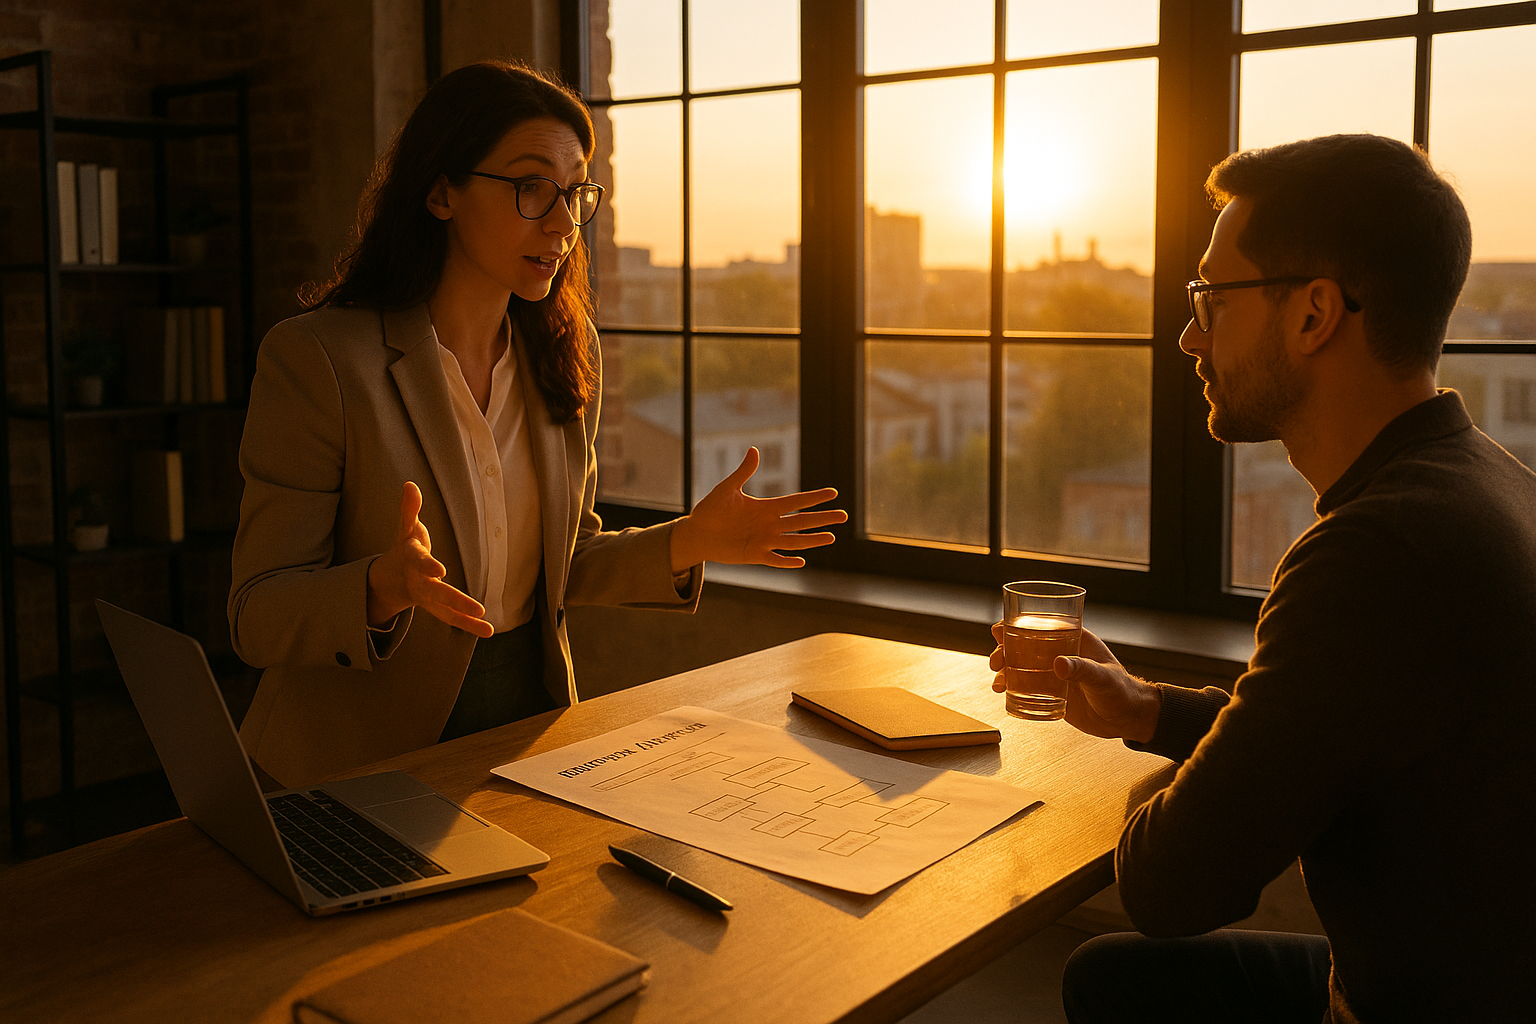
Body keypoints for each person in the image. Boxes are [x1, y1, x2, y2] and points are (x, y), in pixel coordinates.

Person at [991, 134, 1536, 1022]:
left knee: (1125, 972)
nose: (1187, 333)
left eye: (1210, 295)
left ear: (1314, 314)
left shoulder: (1377, 552)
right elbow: (1331, 722)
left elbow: (1170, 889)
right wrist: (1149, 710)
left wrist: (1173, 792)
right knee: (1109, 977)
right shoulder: (1490, 481)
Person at [229, 60, 846, 788]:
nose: (562, 223)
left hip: (529, 724)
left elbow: (564, 562)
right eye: (530, 190)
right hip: (355, 756)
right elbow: (256, 613)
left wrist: (688, 540)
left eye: (574, 194)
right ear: (440, 192)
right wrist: (381, 587)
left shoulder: (565, 351)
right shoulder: (320, 360)